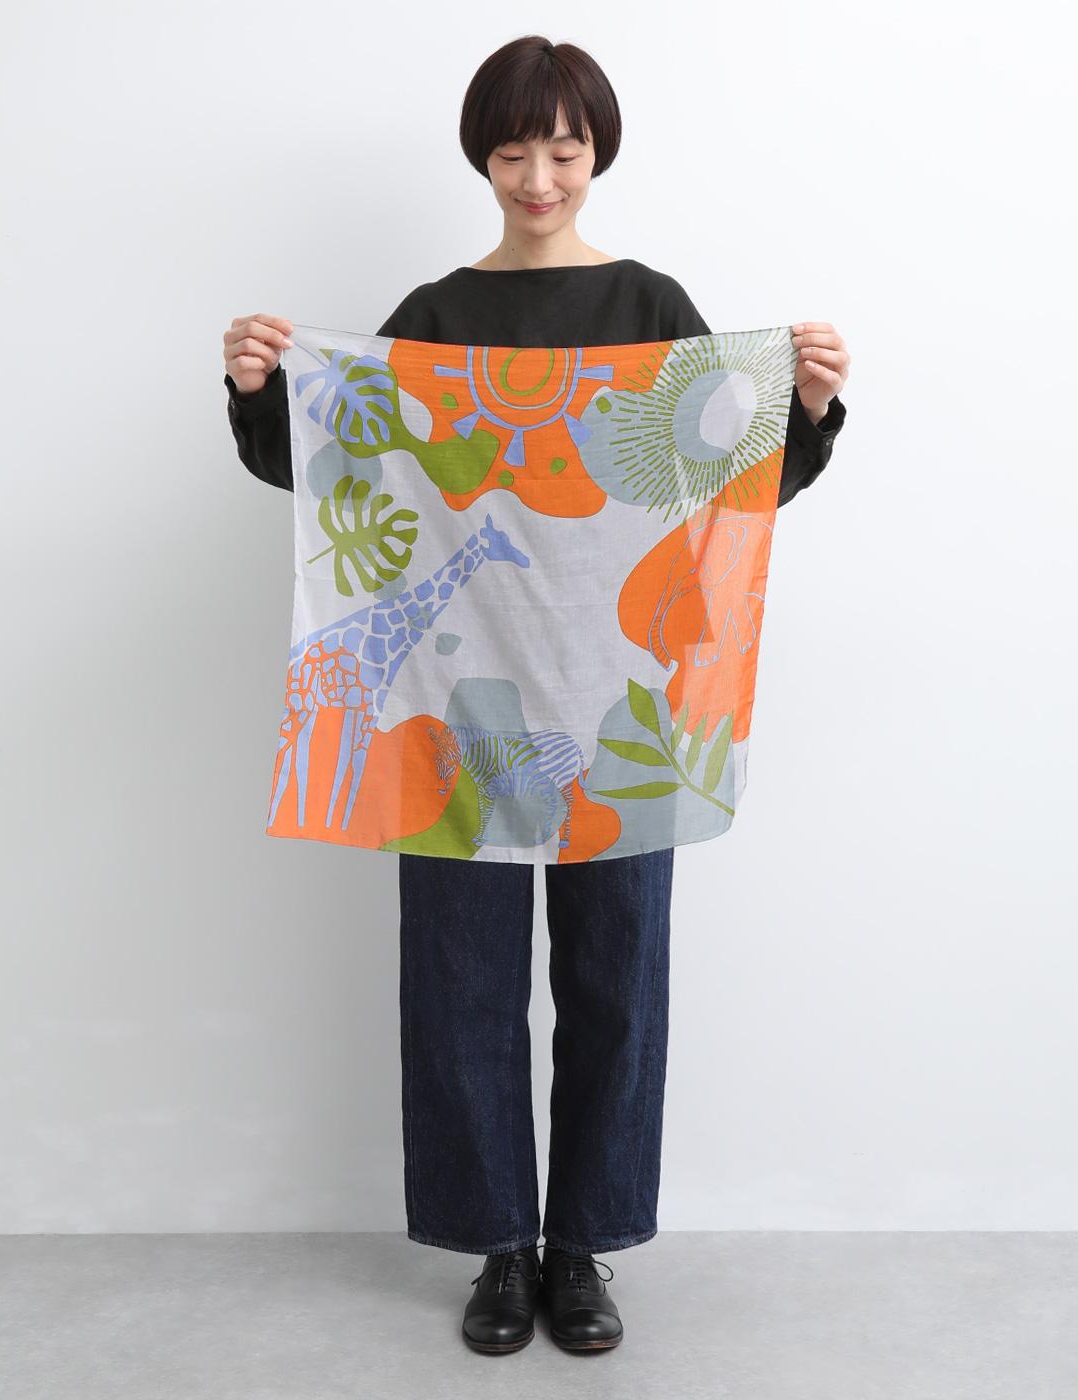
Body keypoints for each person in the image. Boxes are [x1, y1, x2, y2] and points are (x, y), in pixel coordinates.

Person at [222, 35, 850, 1357]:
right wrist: (260, 392)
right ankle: (499, 1249)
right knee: (461, 985)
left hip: (622, 706)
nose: (540, 177)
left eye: (564, 149)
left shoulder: (650, 305)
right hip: (453, 704)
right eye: (514, 151)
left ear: (597, 151)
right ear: (484, 158)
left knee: (618, 981)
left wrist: (801, 408)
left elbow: (732, 485)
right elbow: (335, 469)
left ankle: (584, 1250)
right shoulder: (434, 315)